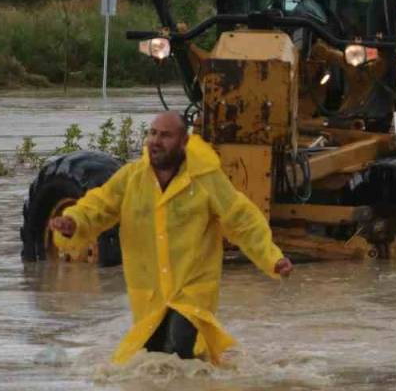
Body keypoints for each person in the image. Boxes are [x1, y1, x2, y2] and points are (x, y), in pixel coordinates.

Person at [49, 112, 293, 366]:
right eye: (152, 133)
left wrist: (272, 258)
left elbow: (242, 220)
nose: (156, 141)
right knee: (155, 358)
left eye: (165, 135)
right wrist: (73, 223)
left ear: (184, 141)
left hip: (193, 289)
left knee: (178, 346)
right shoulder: (131, 177)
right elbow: (97, 206)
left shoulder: (206, 179)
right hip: (149, 294)